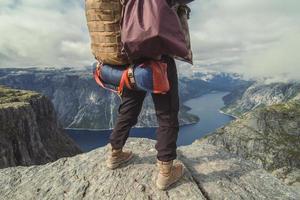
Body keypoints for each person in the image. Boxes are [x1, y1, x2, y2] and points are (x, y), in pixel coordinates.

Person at [105, 55, 184, 190]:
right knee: (167, 114)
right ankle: (166, 172)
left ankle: (115, 153)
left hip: (130, 64)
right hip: (159, 59)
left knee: (128, 110)